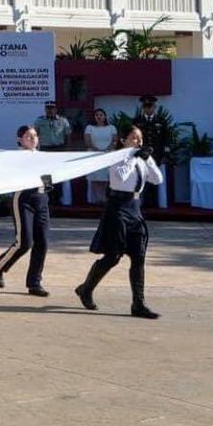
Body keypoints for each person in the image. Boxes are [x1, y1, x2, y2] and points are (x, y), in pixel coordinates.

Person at [75, 127, 163, 319]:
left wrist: (147, 159)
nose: (138, 142)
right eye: (134, 138)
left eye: (140, 138)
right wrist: (131, 156)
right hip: (118, 208)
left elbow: (157, 179)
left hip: (135, 209)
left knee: (138, 257)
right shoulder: (117, 158)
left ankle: (138, 304)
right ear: (123, 140)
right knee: (113, 256)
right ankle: (86, 288)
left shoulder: (141, 159)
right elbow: (121, 176)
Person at [0, 125, 51, 297]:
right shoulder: (16, 157)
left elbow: (47, 176)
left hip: (42, 199)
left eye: (35, 135)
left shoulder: (42, 156)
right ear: (19, 140)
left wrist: (48, 182)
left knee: (42, 242)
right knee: (24, 242)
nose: (33, 138)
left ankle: (34, 283)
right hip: (24, 199)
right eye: (28, 136)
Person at [132, 95, 170, 207]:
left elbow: (166, 139)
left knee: (154, 177)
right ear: (143, 108)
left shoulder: (161, 121)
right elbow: (132, 138)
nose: (148, 109)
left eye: (150, 106)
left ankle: (153, 203)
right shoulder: (136, 121)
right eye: (146, 106)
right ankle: (137, 202)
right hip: (141, 154)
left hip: (156, 155)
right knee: (139, 178)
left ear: (155, 107)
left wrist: (165, 155)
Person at [83, 108, 119, 205]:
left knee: (105, 178)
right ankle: (96, 199)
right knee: (95, 178)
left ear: (105, 116)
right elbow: (87, 141)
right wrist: (97, 150)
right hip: (94, 156)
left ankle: (104, 198)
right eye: (97, 115)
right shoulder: (89, 127)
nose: (99, 117)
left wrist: (107, 150)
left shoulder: (111, 127)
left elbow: (114, 141)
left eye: (101, 115)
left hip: (108, 155)